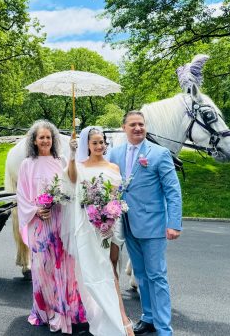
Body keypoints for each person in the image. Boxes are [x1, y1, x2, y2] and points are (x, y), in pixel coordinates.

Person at [109, 111, 182, 336]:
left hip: (153, 225)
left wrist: (174, 223)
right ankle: (148, 318)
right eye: (133, 124)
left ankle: (163, 328)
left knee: (157, 276)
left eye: (141, 124)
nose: (138, 128)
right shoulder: (115, 153)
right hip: (127, 223)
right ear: (123, 128)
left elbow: (173, 190)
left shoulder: (159, 153)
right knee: (140, 275)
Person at [16, 120, 88, 334]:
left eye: (48, 137)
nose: (45, 140)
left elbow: (72, 184)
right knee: (42, 268)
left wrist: (73, 155)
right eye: (41, 137)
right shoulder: (27, 164)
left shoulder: (61, 160)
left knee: (63, 265)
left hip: (60, 221)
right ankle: (45, 310)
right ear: (34, 141)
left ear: (53, 140)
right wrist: (36, 210)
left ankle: (64, 310)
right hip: (38, 223)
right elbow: (22, 194)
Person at [61, 126, 134, 336]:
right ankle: (122, 320)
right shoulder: (80, 166)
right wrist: (72, 155)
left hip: (112, 223)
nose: (99, 146)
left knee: (112, 266)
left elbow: (115, 195)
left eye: (101, 142)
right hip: (91, 225)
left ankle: (115, 315)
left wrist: (111, 215)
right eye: (94, 143)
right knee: (102, 269)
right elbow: (71, 180)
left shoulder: (113, 167)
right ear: (88, 145)